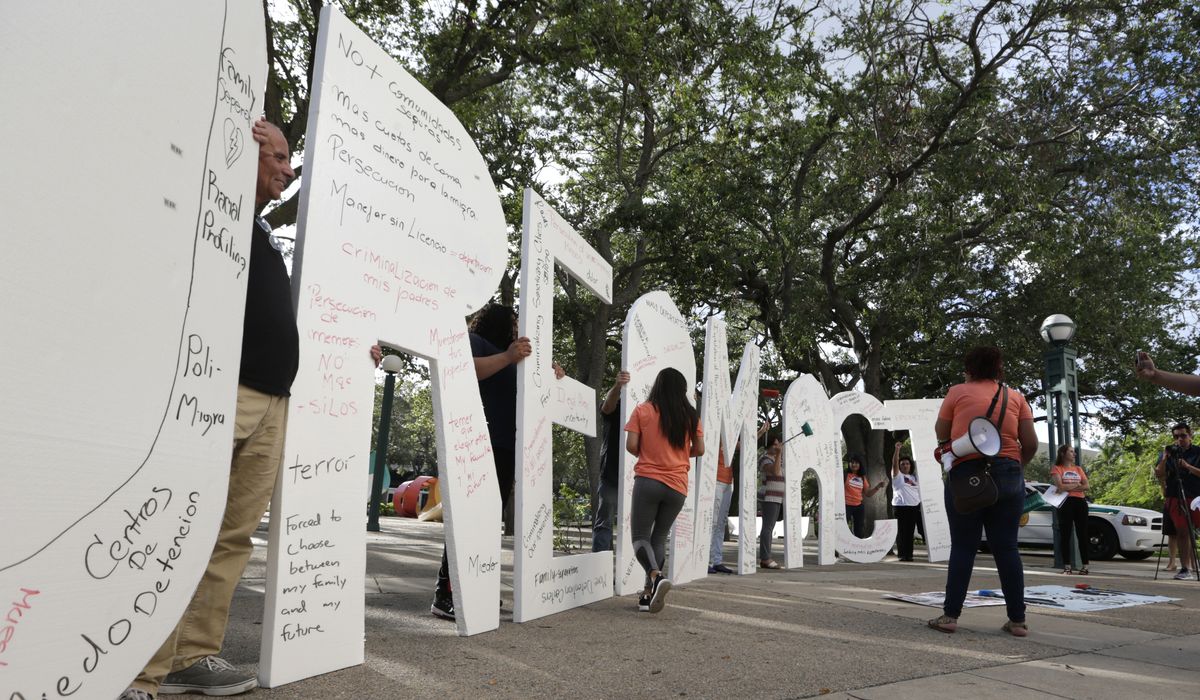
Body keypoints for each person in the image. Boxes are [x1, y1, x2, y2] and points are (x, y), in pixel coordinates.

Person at [121, 120, 320, 699]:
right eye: (279, 157)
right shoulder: (208, 210)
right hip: (219, 394)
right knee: (177, 530)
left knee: (233, 536)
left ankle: (194, 655)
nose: (288, 169)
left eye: (290, 160)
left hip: (272, 402)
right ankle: (138, 670)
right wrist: (230, 133)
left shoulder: (259, 232)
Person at [430, 303, 563, 619]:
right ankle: (444, 593)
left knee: (490, 523)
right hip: (478, 443)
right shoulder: (476, 342)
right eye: (514, 322)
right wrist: (508, 357)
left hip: (507, 448)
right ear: (500, 322)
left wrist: (553, 376)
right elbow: (466, 369)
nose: (517, 330)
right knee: (469, 520)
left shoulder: (518, 358)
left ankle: (475, 589)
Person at [928, 345, 1037, 638]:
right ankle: (1017, 620)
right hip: (1009, 473)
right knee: (1007, 547)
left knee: (964, 546)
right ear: (999, 369)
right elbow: (1031, 443)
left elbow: (941, 432)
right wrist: (1015, 467)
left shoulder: (957, 392)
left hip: (967, 473)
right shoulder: (1015, 397)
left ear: (969, 368)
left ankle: (950, 615)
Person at [625, 367, 704, 613]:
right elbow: (699, 450)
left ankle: (656, 577)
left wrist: (652, 452)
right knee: (659, 538)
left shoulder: (643, 410)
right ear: (682, 390)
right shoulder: (690, 416)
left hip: (648, 480)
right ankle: (648, 595)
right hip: (677, 486)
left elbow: (632, 446)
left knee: (640, 537)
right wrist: (678, 454)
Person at [708, 423, 768, 574]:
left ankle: (717, 560)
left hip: (728, 482)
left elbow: (745, 444)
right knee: (713, 522)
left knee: (721, 522)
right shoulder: (714, 436)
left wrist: (760, 432)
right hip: (714, 481)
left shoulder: (730, 440)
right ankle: (705, 560)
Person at [1153, 422, 1200, 580]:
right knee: (1182, 532)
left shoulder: (1198, 452)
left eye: (1183, 435)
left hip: (1196, 496)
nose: (1179, 439)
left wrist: (1187, 466)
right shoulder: (1169, 452)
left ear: (1190, 435)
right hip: (1175, 497)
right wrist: (1165, 459)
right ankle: (1185, 568)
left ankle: (1195, 565)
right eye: (1176, 436)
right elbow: (1158, 474)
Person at [593, 370, 631, 552]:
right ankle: (599, 569)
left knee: (637, 527)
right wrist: (618, 385)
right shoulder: (617, 406)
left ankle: (635, 574)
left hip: (638, 477)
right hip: (611, 475)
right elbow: (606, 408)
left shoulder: (649, 410)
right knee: (604, 523)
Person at [1050, 445, 1090, 575]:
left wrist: (1069, 487)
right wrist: (1077, 485)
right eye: (1071, 451)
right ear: (1063, 453)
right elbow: (1060, 487)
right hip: (1066, 502)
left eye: (1074, 452)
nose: (1074, 454)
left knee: (1082, 534)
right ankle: (1067, 566)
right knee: (1065, 534)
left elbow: (1087, 486)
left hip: (1080, 503)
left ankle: (1085, 566)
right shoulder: (1057, 468)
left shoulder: (1078, 469)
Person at [891, 444, 923, 562]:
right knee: (902, 532)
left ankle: (909, 555)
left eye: (907, 463)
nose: (905, 465)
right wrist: (897, 450)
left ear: (911, 466)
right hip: (900, 507)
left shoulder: (914, 477)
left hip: (914, 507)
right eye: (903, 464)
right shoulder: (897, 476)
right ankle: (902, 554)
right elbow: (894, 463)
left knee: (910, 532)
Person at [758, 433, 785, 569]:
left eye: (778, 444)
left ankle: (766, 557)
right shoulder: (765, 459)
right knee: (768, 528)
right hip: (770, 496)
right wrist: (779, 454)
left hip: (778, 497)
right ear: (768, 446)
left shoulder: (777, 459)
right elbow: (775, 472)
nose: (776, 447)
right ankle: (765, 558)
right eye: (774, 445)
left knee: (770, 527)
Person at [844, 453, 885, 539]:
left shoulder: (862, 477)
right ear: (849, 464)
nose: (854, 464)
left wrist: (877, 487)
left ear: (860, 465)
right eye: (852, 462)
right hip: (846, 505)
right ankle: (837, 549)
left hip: (859, 506)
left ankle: (858, 550)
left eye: (856, 463)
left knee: (859, 530)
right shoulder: (845, 475)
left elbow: (868, 493)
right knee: (843, 527)